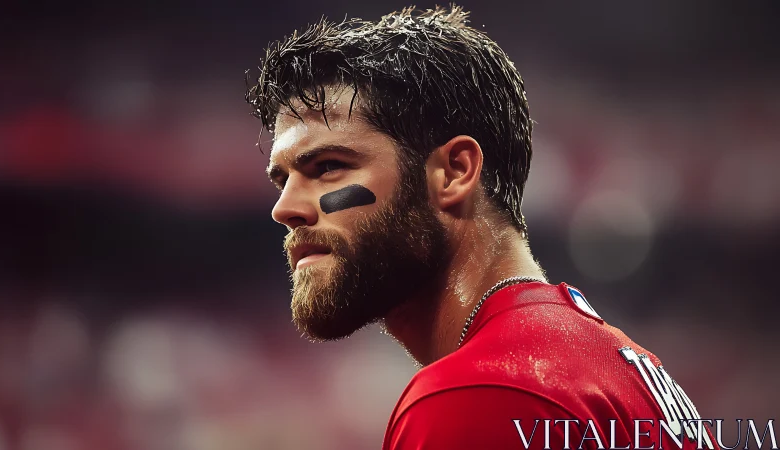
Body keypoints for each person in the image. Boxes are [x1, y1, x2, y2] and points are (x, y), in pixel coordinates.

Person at [247, 6, 718, 450]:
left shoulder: (480, 392)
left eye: (328, 166)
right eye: (282, 179)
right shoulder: (620, 368)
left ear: (453, 172)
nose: (284, 209)